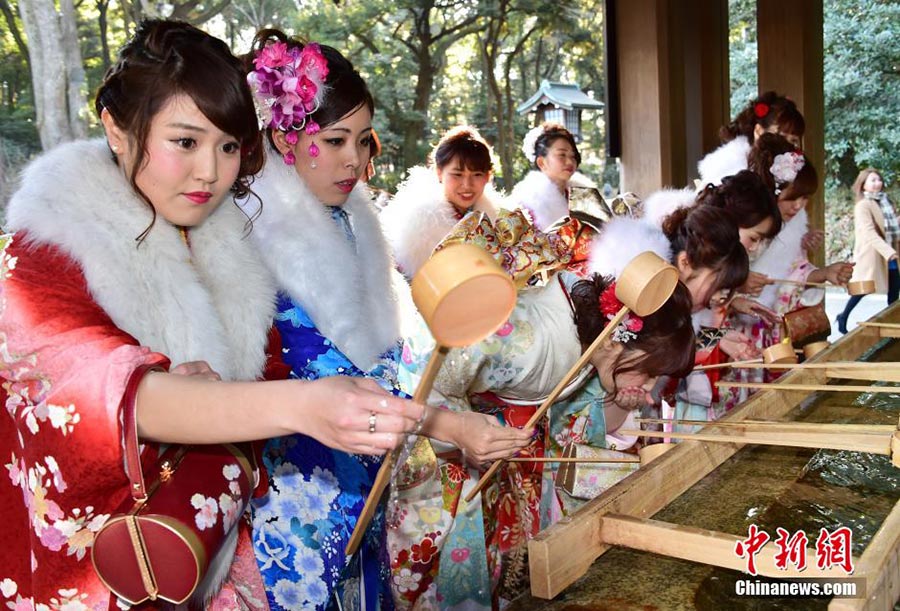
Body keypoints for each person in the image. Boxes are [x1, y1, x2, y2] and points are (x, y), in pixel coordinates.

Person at [0, 20, 421, 610]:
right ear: (118, 130)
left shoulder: (220, 244)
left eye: (227, 146)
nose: (210, 172)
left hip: (201, 553)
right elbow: (96, 390)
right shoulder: (47, 248)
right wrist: (298, 404)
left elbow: (267, 370)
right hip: (83, 571)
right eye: (185, 142)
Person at [388, 263, 695, 609]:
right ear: (616, 337)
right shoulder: (529, 344)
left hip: (501, 455)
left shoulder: (589, 329)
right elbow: (423, 375)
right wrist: (457, 430)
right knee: (449, 573)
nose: (650, 389)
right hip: (443, 435)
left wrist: (618, 404)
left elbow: (577, 417)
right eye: (649, 372)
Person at [238, 29, 417, 610]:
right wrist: (438, 418)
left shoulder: (352, 220)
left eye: (363, 141)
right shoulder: (256, 231)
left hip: (365, 462)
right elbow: (314, 360)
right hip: (295, 489)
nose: (354, 160)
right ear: (284, 138)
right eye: (334, 139)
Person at [380, 125, 500, 278]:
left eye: (477, 174)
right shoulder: (419, 227)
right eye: (457, 174)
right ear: (439, 172)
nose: (467, 185)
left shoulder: (498, 221)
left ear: (488, 176)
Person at [698, 90, 806, 187]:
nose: (786, 144)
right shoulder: (731, 170)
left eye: (793, 140)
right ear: (758, 131)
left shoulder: (789, 171)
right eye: (780, 136)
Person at [836, 168, 900, 333]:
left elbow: (891, 226)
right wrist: (888, 251)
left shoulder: (885, 201)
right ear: (863, 185)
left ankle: (891, 326)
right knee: (863, 289)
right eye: (872, 180)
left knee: (894, 291)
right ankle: (843, 316)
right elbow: (869, 231)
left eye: (879, 180)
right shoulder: (863, 205)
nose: (877, 183)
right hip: (873, 254)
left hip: (891, 253)